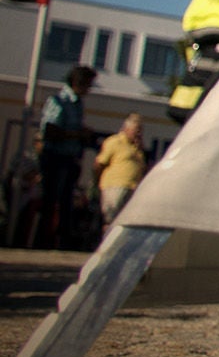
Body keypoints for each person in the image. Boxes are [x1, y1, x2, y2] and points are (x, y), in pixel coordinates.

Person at [36, 64, 97, 248]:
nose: (89, 89)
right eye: (88, 85)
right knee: (51, 199)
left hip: (70, 158)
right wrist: (77, 134)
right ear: (78, 83)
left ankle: (62, 238)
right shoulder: (59, 101)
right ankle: (43, 239)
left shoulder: (78, 104)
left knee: (66, 199)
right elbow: (50, 130)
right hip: (55, 157)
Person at [94, 113, 148, 224]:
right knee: (111, 221)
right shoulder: (114, 142)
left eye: (140, 131)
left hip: (132, 188)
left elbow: (143, 168)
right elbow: (99, 163)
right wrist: (98, 181)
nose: (138, 134)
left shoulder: (138, 148)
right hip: (115, 187)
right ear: (126, 129)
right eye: (136, 130)